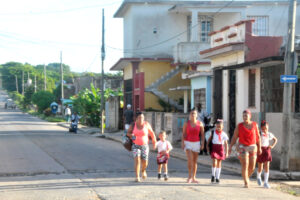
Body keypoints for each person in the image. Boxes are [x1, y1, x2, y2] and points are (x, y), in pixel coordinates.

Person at [229, 109, 262, 188]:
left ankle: (246, 176)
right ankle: (246, 182)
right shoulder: (239, 126)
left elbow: (258, 137)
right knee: (245, 164)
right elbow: (234, 137)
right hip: (242, 147)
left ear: (250, 116)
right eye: (243, 116)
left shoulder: (255, 125)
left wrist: (259, 147)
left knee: (252, 167)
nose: (245, 117)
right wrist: (230, 146)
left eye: (246, 115)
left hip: (252, 147)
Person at [127, 112, 157, 182]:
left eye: (142, 118)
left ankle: (143, 171)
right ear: (136, 118)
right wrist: (131, 135)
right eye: (140, 118)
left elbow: (152, 133)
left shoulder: (146, 124)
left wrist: (154, 142)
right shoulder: (133, 125)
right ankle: (137, 176)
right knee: (137, 160)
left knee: (145, 161)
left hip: (145, 145)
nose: (141, 119)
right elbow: (128, 133)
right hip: (135, 145)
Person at [182, 108, 205, 183]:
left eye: (194, 113)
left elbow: (202, 135)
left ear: (196, 115)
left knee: (195, 161)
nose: (193, 115)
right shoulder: (186, 123)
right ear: (189, 115)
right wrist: (182, 143)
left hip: (196, 143)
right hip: (188, 143)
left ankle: (194, 177)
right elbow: (184, 134)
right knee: (190, 159)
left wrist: (202, 144)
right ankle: (189, 176)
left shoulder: (200, 124)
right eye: (191, 113)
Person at [256, 120, 278, 189]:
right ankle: (258, 176)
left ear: (268, 128)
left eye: (266, 128)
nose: (264, 130)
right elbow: (256, 142)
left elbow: (275, 140)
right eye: (263, 128)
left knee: (267, 166)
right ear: (261, 128)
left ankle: (266, 182)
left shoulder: (269, 134)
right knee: (260, 167)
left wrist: (272, 146)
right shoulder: (259, 133)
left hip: (267, 150)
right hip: (260, 150)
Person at [206, 119, 228, 184]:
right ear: (215, 126)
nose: (218, 128)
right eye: (217, 126)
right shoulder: (213, 133)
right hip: (214, 148)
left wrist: (226, 152)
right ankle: (213, 175)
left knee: (219, 163)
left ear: (222, 127)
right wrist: (207, 147)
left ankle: (217, 177)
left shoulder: (224, 134)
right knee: (214, 161)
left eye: (220, 126)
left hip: (220, 148)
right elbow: (209, 140)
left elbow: (226, 143)